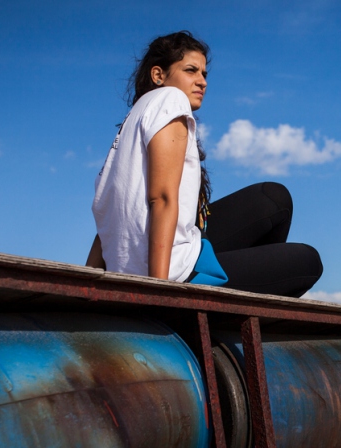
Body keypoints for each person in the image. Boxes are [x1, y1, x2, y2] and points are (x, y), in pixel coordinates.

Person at [87, 31, 322, 298]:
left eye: (204, 74)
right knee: (309, 262)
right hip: (170, 272)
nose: (202, 82)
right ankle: (236, 311)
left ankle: (240, 287)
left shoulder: (128, 127)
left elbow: (107, 225)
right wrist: (158, 293)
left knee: (274, 198)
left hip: (162, 256)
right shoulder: (170, 98)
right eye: (191, 70)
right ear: (158, 75)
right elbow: (162, 198)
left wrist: (85, 289)